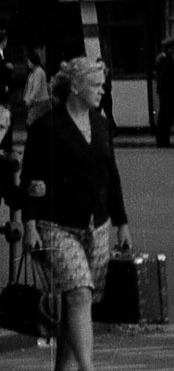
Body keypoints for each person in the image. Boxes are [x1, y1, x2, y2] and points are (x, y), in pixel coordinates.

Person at [21, 57, 131, 371]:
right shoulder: (46, 126)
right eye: (96, 85)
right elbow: (32, 178)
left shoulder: (100, 123)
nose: (102, 91)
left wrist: (122, 223)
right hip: (56, 226)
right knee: (80, 294)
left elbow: (111, 173)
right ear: (76, 87)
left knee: (77, 302)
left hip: (97, 225)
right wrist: (30, 225)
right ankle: (88, 368)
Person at [153, 36, 174, 147]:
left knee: (167, 116)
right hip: (167, 93)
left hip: (167, 92)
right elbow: (166, 78)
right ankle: (162, 140)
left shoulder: (167, 58)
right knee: (165, 116)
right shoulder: (164, 59)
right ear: (170, 48)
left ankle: (164, 140)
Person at [22, 49, 50, 127]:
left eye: (28, 61)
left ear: (33, 61)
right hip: (35, 101)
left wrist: (30, 100)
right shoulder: (33, 72)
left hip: (39, 102)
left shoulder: (38, 72)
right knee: (33, 124)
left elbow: (36, 89)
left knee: (32, 124)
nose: (27, 63)